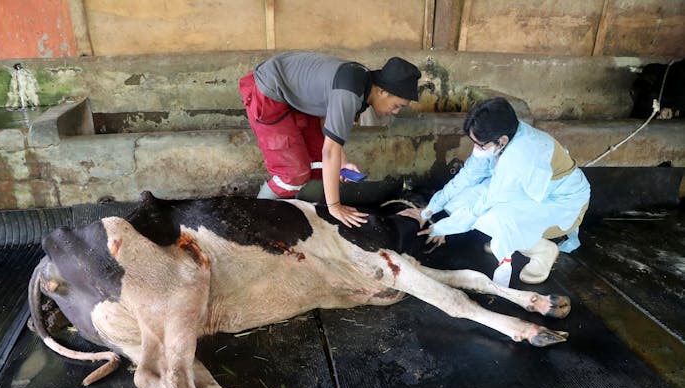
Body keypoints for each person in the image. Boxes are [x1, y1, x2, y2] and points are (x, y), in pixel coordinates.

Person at [401, 97, 590, 286]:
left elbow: (485, 204)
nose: (476, 149)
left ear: (501, 141)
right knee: (457, 202)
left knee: (488, 218)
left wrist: (441, 227)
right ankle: (509, 241)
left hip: (562, 205)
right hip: (528, 193)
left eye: (480, 144)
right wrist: (428, 210)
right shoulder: (504, 133)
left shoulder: (519, 156)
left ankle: (542, 250)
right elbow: (467, 176)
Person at [239, 52, 421, 227]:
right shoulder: (350, 92)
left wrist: (343, 162)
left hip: (289, 93)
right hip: (268, 92)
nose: (396, 111)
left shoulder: (362, 82)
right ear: (382, 91)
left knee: (320, 163)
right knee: (294, 173)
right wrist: (335, 207)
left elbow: (328, 124)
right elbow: (330, 150)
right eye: (397, 105)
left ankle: (286, 207)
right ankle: (256, 214)